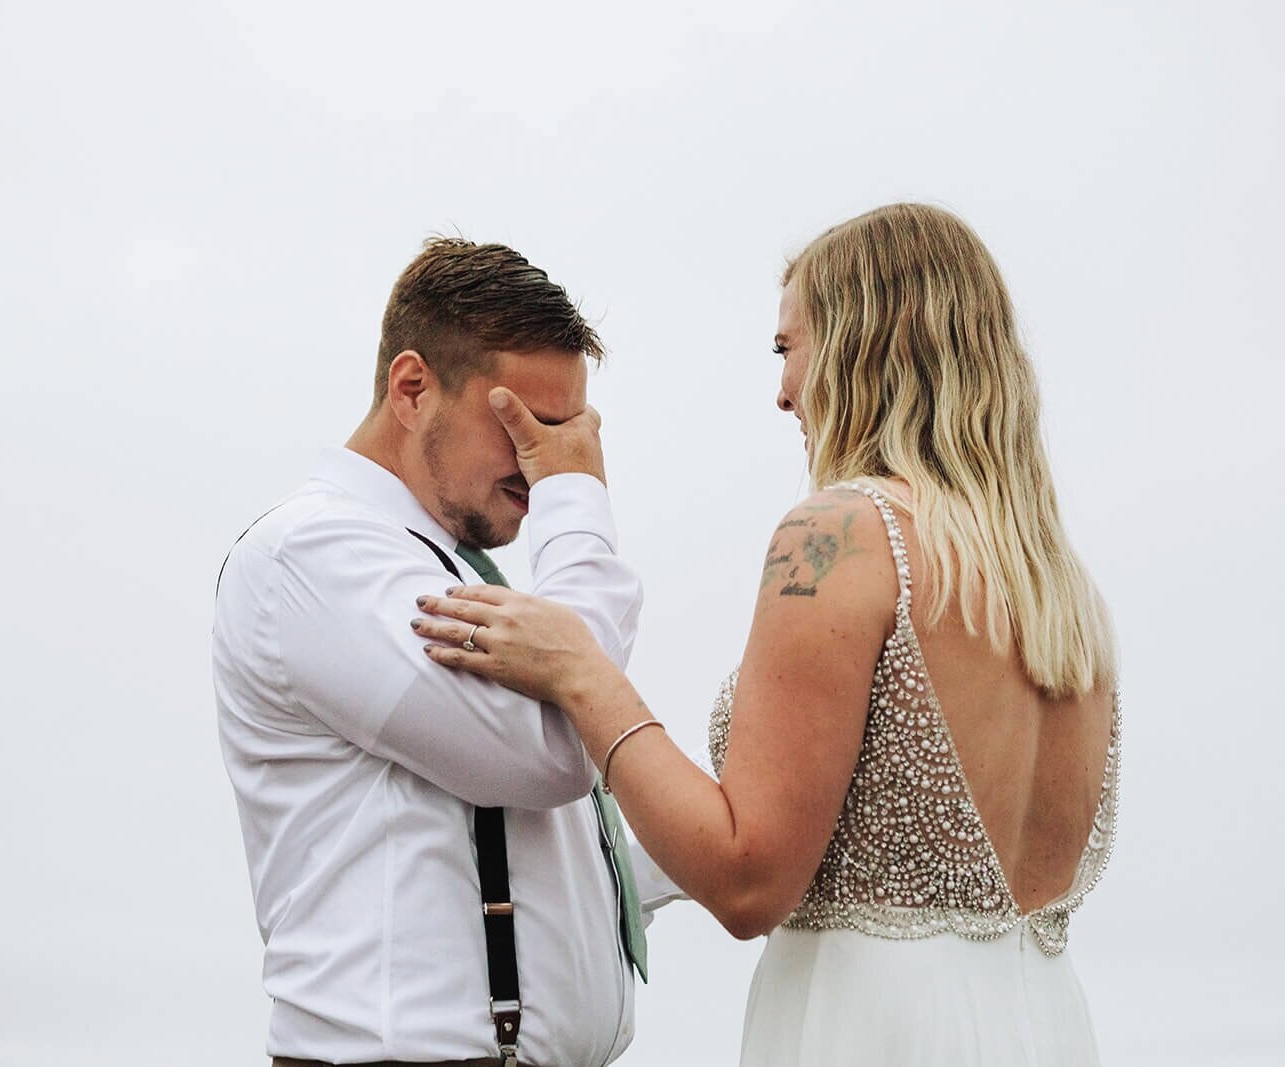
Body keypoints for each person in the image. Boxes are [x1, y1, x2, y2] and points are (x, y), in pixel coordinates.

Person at [414, 203, 1122, 1065]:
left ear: (865, 340)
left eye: (788, 348)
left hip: (871, 1030)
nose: (781, 390)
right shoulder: (1059, 591)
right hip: (1044, 1024)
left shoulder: (839, 537)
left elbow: (747, 879)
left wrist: (582, 675)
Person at [213, 237, 657, 1067]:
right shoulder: (318, 556)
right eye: (521, 423)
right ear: (412, 388)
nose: (543, 458)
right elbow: (554, 752)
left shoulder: (438, 565)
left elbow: (537, 830)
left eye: (565, 432)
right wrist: (577, 504)